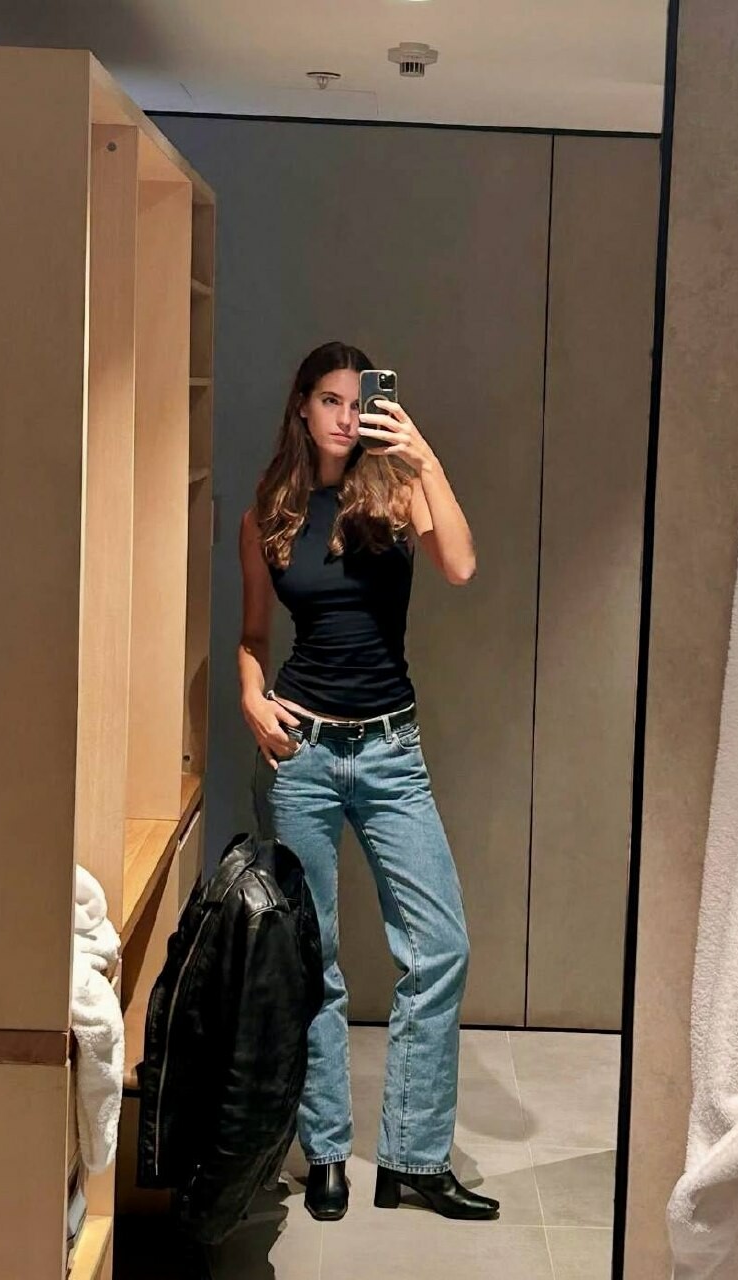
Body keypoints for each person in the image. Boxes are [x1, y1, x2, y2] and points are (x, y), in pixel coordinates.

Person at [238, 341, 499, 1223]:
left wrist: (423, 456)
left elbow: (461, 565)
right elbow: (252, 635)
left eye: (361, 402)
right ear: (303, 406)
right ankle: (325, 1155)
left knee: (440, 947)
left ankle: (413, 1159)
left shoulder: (396, 487)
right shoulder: (271, 507)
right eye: (331, 400)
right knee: (312, 957)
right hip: (302, 756)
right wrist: (249, 696)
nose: (348, 417)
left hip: (390, 753)